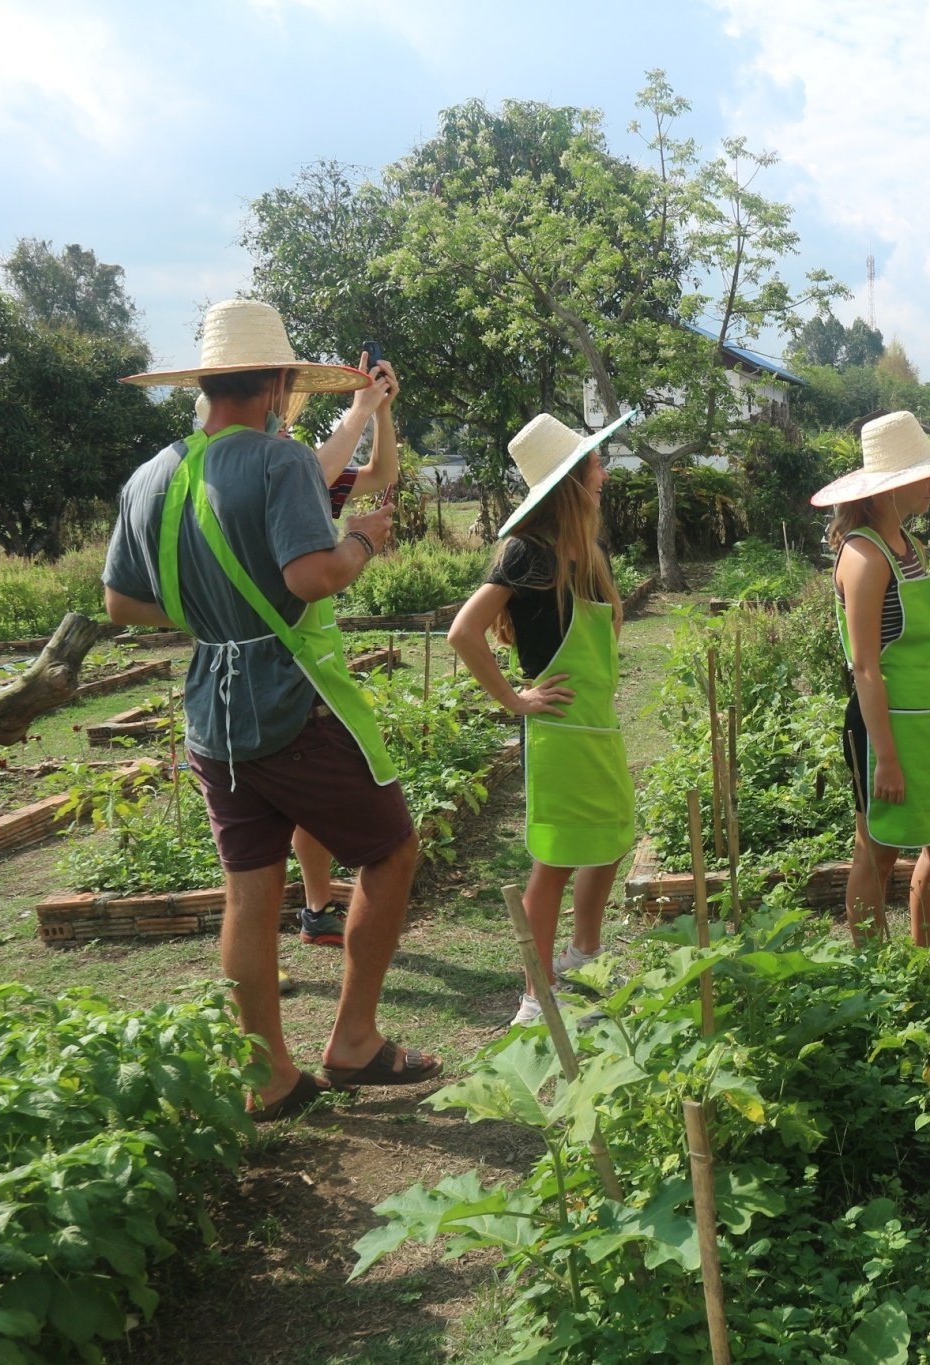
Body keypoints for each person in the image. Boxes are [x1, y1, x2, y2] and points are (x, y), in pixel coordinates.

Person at [106, 299, 436, 1121]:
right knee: (392, 851)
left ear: (208, 383)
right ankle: (354, 1040)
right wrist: (360, 540)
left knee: (248, 891)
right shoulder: (277, 464)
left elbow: (121, 602)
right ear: (281, 381)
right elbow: (312, 578)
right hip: (293, 706)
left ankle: (270, 1074)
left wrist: (214, 617)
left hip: (211, 720)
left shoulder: (153, 474)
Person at [447, 411, 638, 1026]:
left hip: (598, 727)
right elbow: (464, 633)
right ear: (574, 481)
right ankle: (535, 997)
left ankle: (582, 956)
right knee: (553, 861)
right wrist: (516, 700)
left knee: (610, 842)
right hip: (558, 733)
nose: (603, 472)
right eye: (595, 463)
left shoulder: (589, 550)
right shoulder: (529, 554)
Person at [818, 413, 930, 945]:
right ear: (894, 486)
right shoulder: (866, 555)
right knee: (877, 849)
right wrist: (885, 755)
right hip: (881, 727)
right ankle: (873, 966)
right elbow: (865, 665)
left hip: (927, 719)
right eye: (927, 473)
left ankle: (923, 958)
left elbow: (926, 654)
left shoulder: (909, 547)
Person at [291, 353, 402, 948]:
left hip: (314, 651)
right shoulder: (282, 475)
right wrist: (360, 408)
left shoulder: (302, 475)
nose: (284, 428)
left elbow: (381, 472)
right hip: (287, 660)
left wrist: (380, 412)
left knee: (298, 801)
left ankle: (314, 906)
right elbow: (314, 469)